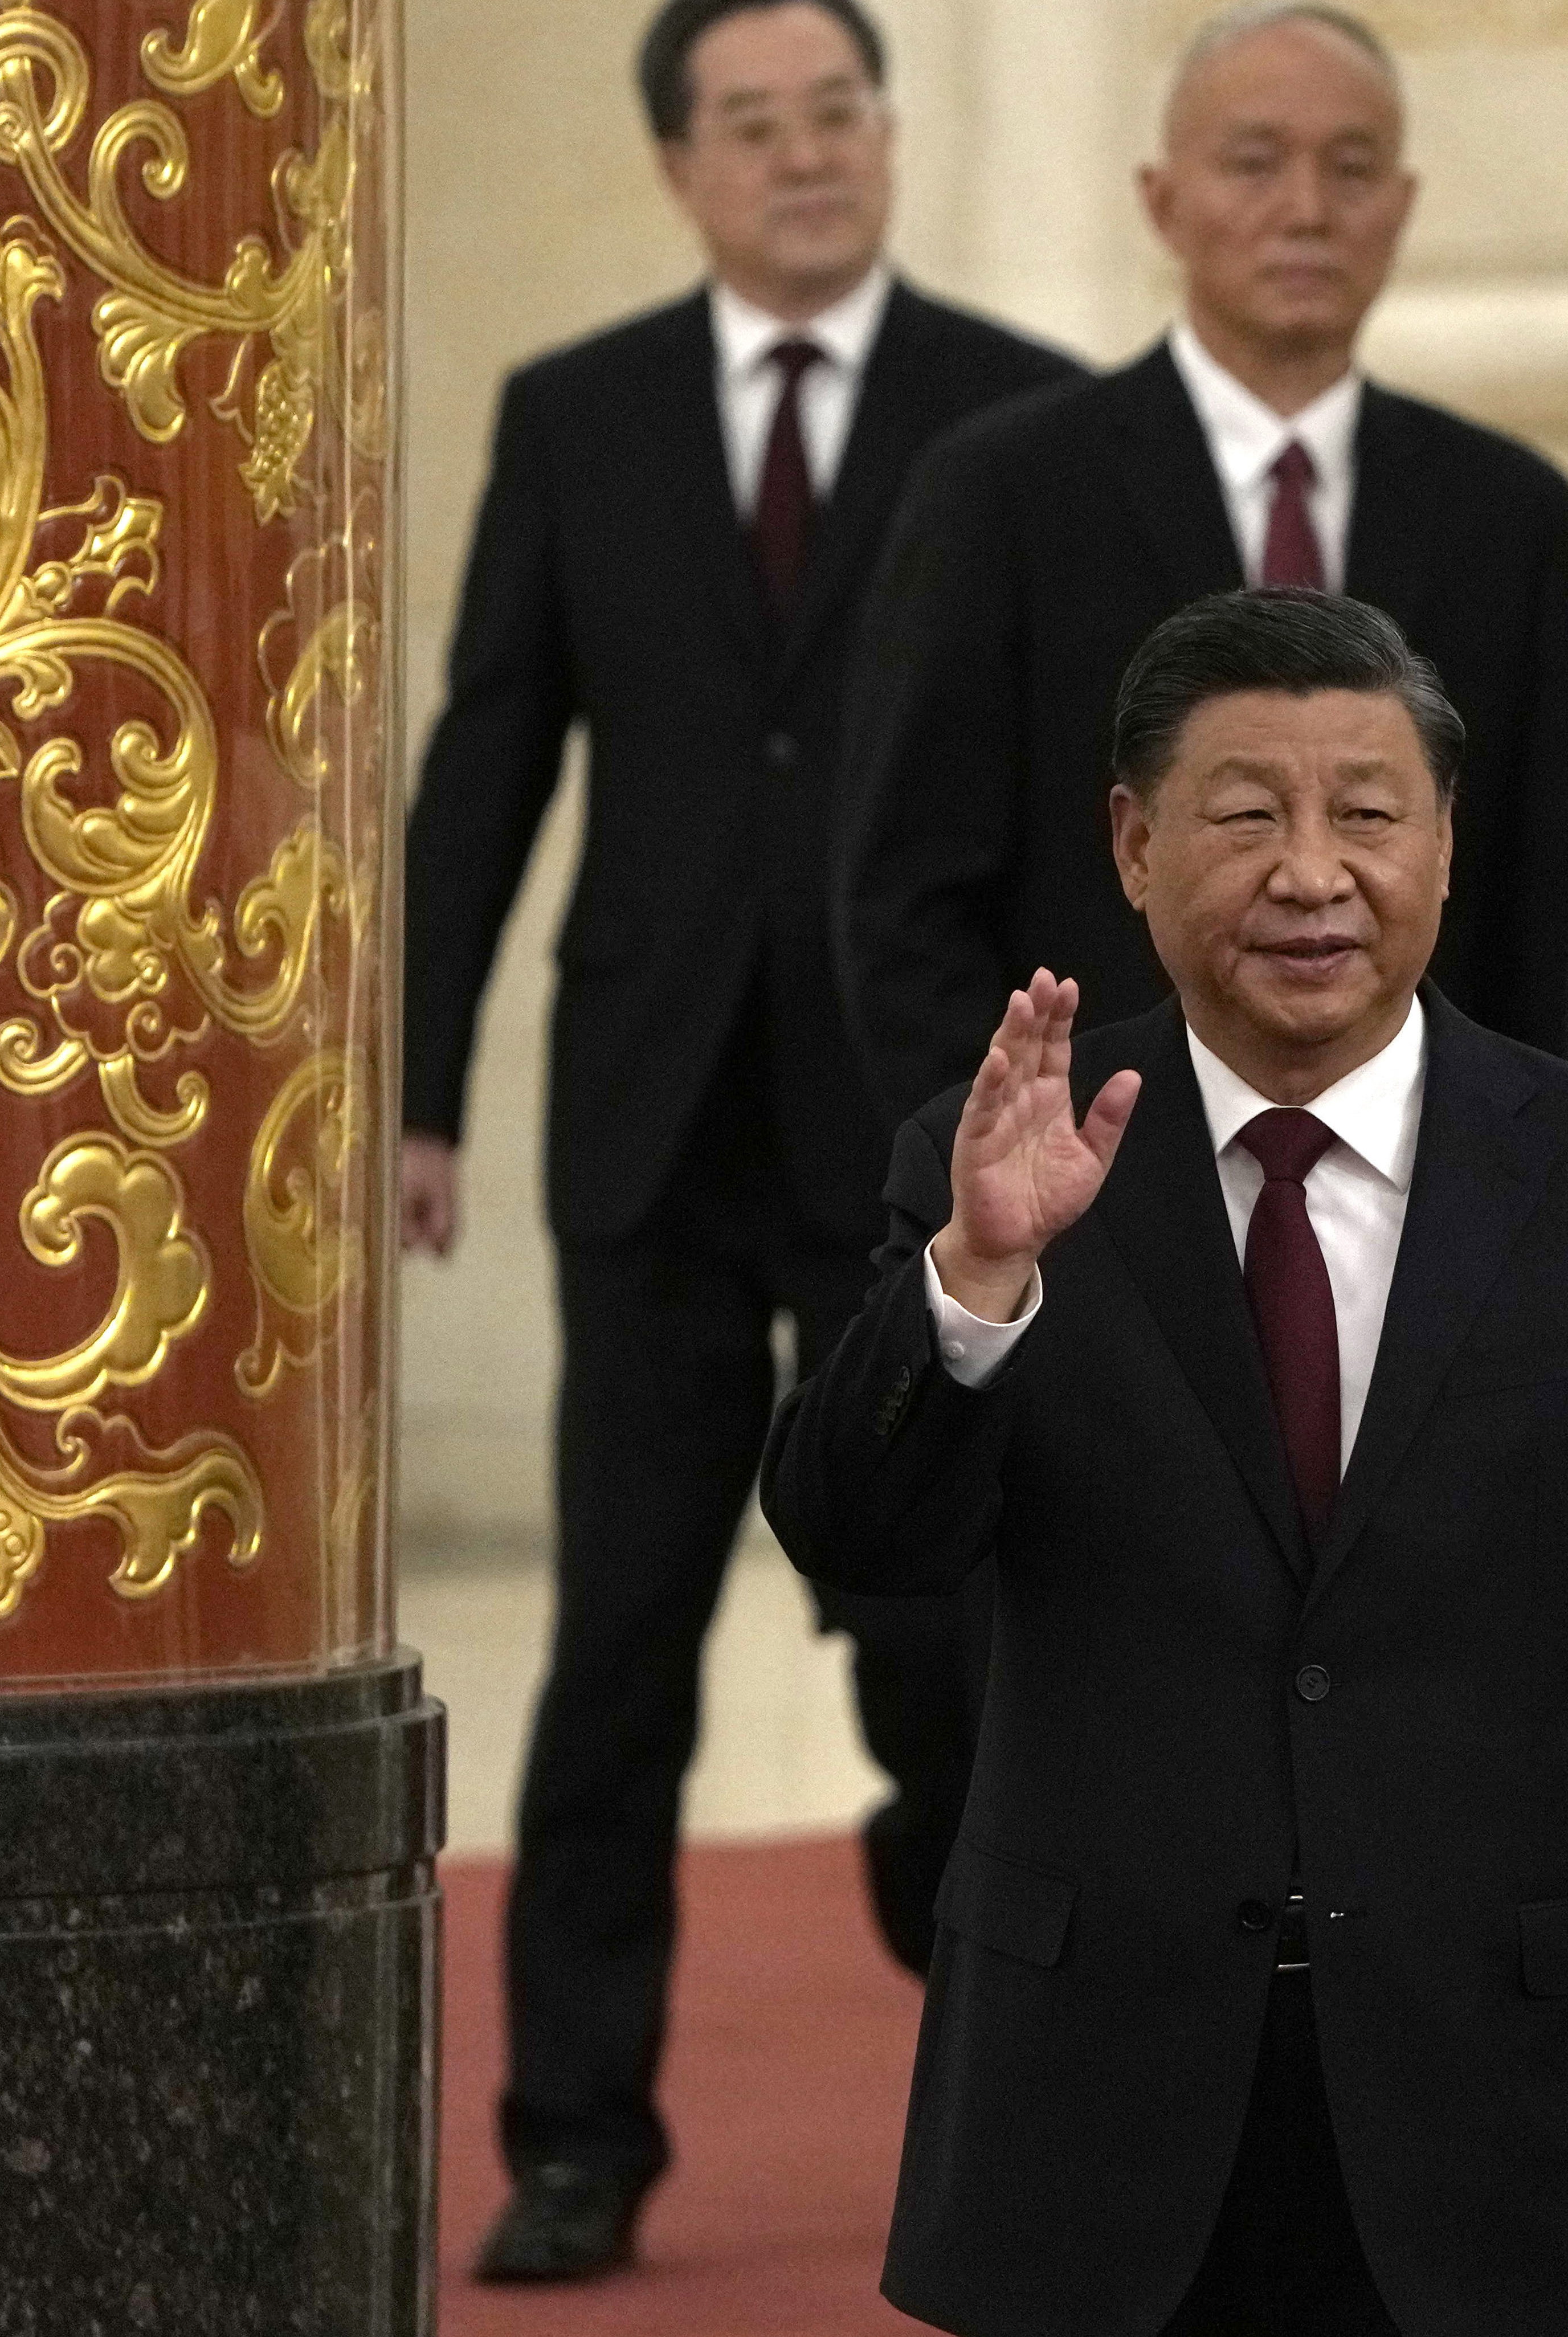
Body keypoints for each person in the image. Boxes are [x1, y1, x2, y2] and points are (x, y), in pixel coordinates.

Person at [762, 590, 1568, 2335]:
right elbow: (860, 1534)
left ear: (1445, 842)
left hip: (1534, 2092)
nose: (1311, 872)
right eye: (1244, 814)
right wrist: (978, 1279)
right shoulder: (1002, 1154)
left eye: (1367, 811)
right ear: (1135, 845)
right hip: (1117, 2094)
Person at [395, 0, 1080, 2283]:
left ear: (887, 141)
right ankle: (577, 2130)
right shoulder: (575, 415)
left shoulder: (1013, 409)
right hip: (659, 1122)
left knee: (943, 1639)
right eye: (754, 127)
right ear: (678, 165)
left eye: (838, 117)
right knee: (620, 1651)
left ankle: (1017, 2051)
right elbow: (488, 759)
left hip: (915, 1133)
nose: (804, 157)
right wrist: (416, 1087)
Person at [834, 0, 1568, 1130]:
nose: (1305, 210)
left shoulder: (1506, 510)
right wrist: (1002, 1155)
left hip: (1421, 1188)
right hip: (1085, 1162)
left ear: (1399, 208)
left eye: (1351, 168)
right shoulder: (1006, 488)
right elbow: (904, 897)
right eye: (1253, 163)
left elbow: (1541, 906)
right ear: (1162, 201)